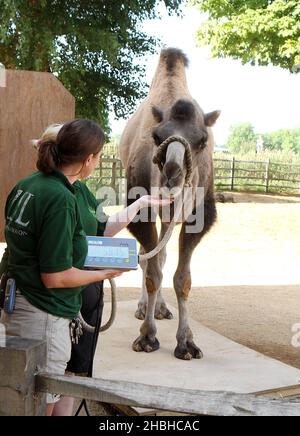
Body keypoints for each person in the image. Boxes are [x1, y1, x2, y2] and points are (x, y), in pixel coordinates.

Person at [0, 119, 172, 416]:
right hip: (44, 311)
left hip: (21, 303)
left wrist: (139, 203)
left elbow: (96, 229)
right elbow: (54, 276)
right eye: (99, 155)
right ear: (88, 159)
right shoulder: (61, 199)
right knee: (41, 398)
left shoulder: (27, 186)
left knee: (25, 391)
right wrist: (104, 273)